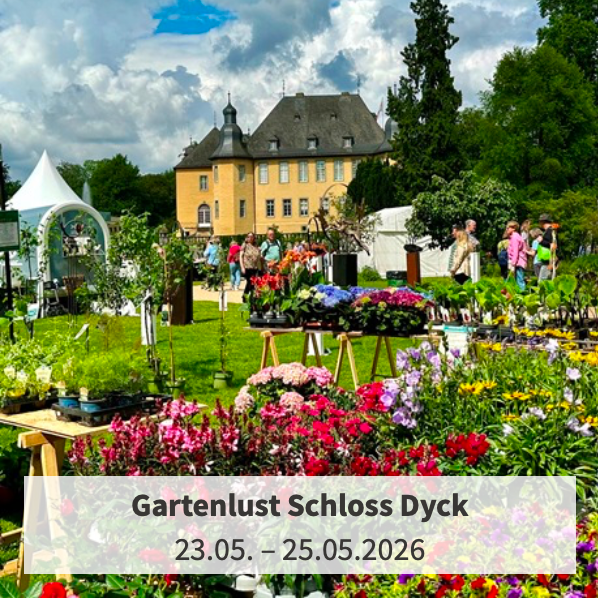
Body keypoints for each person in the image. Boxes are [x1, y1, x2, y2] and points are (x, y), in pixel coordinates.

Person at [506, 221, 527, 291]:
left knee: (520, 279)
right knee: (517, 279)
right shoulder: (514, 236)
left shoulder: (515, 237)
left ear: (514, 228)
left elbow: (515, 251)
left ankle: (522, 294)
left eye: (508, 228)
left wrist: (513, 263)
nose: (507, 230)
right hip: (517, 261)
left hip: (518, 262)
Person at [537, 214, 557, 281]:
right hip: (548, 260)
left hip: (549, 261)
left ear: (542, 222)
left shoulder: (550, 231)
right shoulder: (550, 230)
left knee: (542, 282)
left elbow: (552, 245)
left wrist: (541, 241)